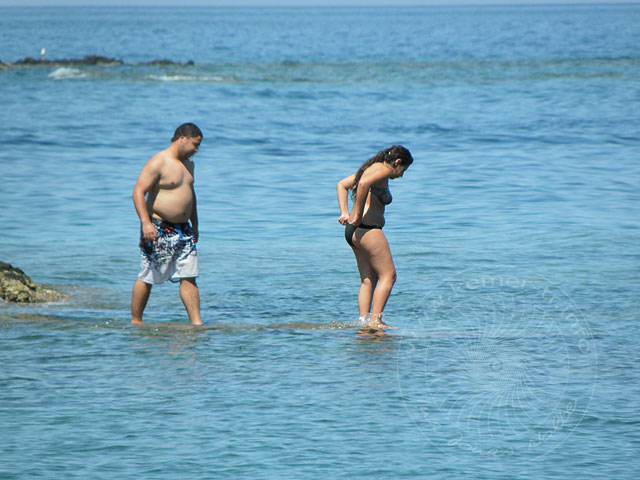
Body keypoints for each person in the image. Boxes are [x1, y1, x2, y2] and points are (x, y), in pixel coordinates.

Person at [130, 123, 203, 325]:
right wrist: (145, 223)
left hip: (184, 230)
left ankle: (196, 324)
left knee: (189, 276)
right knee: (148, 275)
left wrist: (195, 224)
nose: (196, 150)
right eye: (195, 145)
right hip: (158, 228)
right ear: (182, 138)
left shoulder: (188, 165)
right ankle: (136, 321)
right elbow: (138, 191)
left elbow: (190, 195)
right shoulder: (159, 161)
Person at [337, 145, 413, 331]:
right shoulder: (383, 170)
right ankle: (376, 321)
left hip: (353, 231)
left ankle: (364, 321)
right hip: (367, 229)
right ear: (397, 162)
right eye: (403, 169)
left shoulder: (372, 168)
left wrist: (345, 213)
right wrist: (356, 216)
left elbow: (342, 185)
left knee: (368, 279)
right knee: (389, 275)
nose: (402, 175)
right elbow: (362, 185)